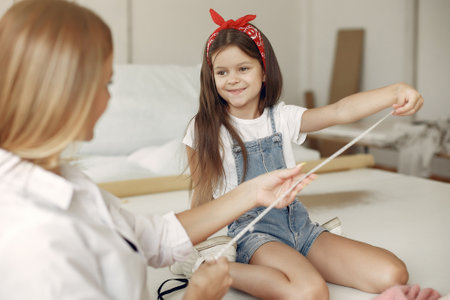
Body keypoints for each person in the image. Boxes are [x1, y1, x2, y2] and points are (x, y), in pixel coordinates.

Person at [0, 1, 316, 299]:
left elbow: (153, 238)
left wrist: (251, 193)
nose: (109, 99)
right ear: (66, 92)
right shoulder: (34, 240)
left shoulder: (61, 178)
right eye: (105, 83)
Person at [183, 9, 424, 300]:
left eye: (243, 69)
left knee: (393, 274)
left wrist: (396, 92)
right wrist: (189, 245)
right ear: (212, 77)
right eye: (222, 72)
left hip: (299, 225)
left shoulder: (283, 117)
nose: (232, 79)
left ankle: (296, 262)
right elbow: (201, 196)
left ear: (264, 70)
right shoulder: (205, 129)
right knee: (311, 293)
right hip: (253, 235)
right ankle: (211, 268)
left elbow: (340, 111)